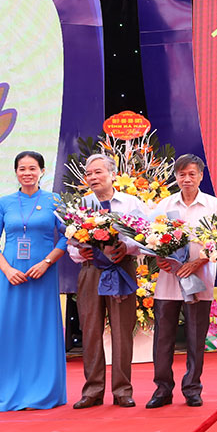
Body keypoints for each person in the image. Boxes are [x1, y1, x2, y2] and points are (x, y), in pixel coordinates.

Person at [0, 150, 67, 411]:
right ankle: (11, 393)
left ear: (42, 171)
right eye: (22, 168)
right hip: (11, 277)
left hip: (42, 275)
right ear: (16, 172)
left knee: (41, 331)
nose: (27, 173)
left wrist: (47, 262)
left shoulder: (55, 200)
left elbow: (67, 236)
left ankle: (43, 393)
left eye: (32, 168)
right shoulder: (4, 203)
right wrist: (7, 270)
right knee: (12, 331)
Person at [67, 153, 148, 408]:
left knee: (122, 331)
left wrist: (128, 247)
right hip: (91, 270)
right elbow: (70, 241)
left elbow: (145, 235)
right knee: (90, 330)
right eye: (89, 174)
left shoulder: (131, 203)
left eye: (98, 172)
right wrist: (79, 252)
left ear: (112, 174)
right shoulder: (81, 206)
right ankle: (92, 390)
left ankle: (122, 390)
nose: (93, 177)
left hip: (121, 268)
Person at [146, 154, 217, 409]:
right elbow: (149, 237)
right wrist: (159, 257)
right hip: (168, 281)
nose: (187, 179)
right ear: (176, 177)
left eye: (192, 174)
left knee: (195, 337)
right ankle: (162, 389)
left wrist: (198, 262)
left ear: (201, 175)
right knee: (163, 338)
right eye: (182, 174)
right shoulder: (164, 205)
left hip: (200, 280)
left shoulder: (213, 206)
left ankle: (192, 388)